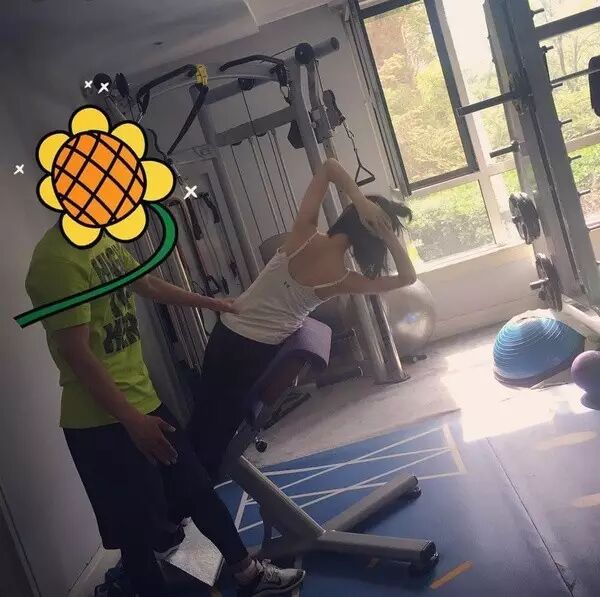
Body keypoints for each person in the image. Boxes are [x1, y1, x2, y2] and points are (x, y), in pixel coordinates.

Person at [25, 225, 306, 597]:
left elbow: (147, 284)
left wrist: (215, 304)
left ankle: (248, 575)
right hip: (101, 423)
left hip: (143, 399)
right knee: (136, 532)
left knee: (197, 488)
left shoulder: (101, 238)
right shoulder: (56, 261)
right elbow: (77, 354)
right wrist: (131, 420)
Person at [189, 157, 416, 482]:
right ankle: (189, 493)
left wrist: (360, 201)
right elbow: (408, 278)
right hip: (255, 350)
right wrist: (387, 234)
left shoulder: (303, 233)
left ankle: (181, 491)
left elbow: (329, 167)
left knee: (203, 419)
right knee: (219, 432)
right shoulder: (343, 278)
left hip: (226, 332)